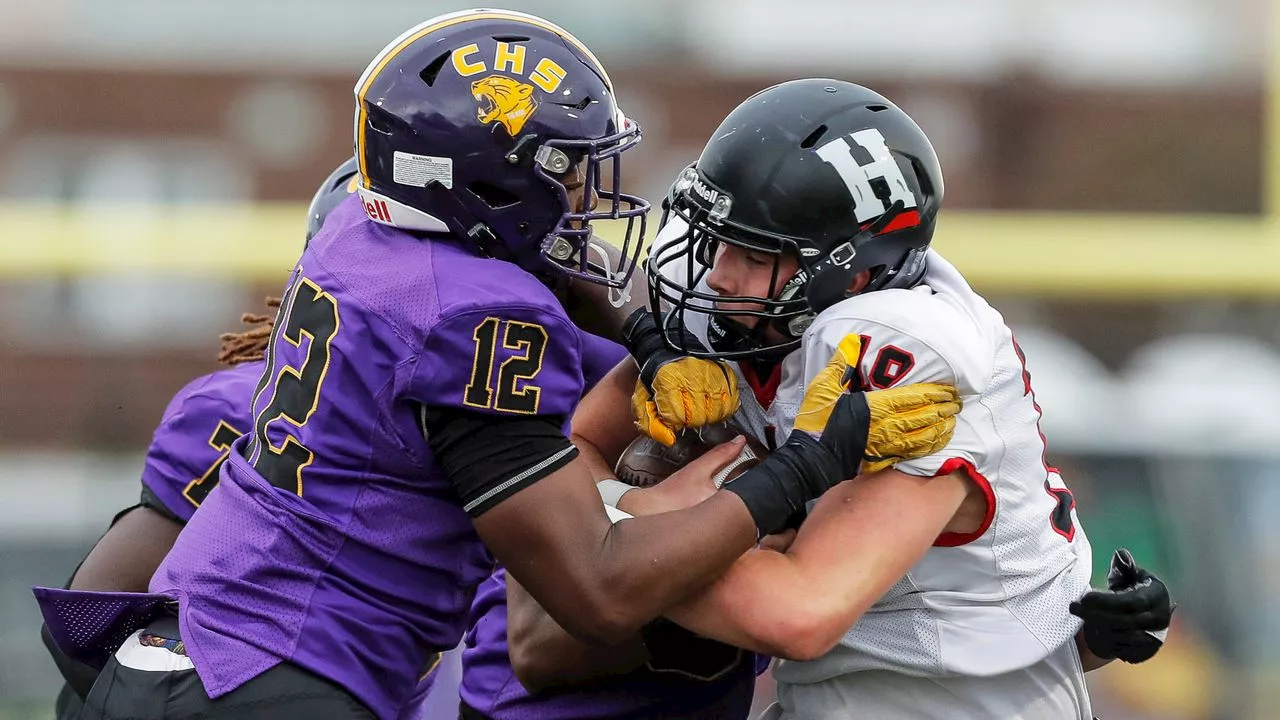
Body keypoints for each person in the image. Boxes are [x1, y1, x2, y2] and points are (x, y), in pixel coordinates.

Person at [34, 14, 961, 720]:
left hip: (169, 645)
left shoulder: (365, 226)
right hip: (283, 679)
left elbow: (542, 272)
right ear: (487, 181)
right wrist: (807, 465)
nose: (578, 198)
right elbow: (596, 594)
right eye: (561, 171)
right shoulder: (476, 321)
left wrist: (644, 341)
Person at [507, 78, 1173, 720]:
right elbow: (581, 450)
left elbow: (796, 614)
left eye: (752, 251)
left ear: (848, 272)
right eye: (718, 238)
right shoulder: (744, 321)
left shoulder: (906, 363)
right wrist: (638, 513)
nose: (716, 273)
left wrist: (610, 538)